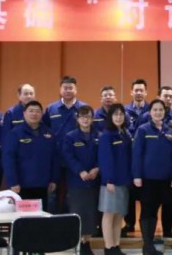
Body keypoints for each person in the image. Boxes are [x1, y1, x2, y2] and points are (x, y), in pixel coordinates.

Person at [133, 99, 172, 255]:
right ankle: (147, 246)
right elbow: (137, 154)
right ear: (150, 112)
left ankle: (151, 244)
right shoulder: (143, 130)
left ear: (164, 112)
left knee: (159, 210)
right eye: (155, 110)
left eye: (161, 110)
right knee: (148, 211)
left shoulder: (170, 132)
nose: (158, 112)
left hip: (165, 180)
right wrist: (137, 175)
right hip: (147, 180)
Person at [2, 100, 59, 211]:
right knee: (24, 217)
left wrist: (54, 179)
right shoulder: (15, 134)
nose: (34, 114)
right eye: (31, 111)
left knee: (41, 216)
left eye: (37, 111)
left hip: (43, 184)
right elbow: (8, 159)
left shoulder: (49, 134)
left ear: (42, 114)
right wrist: (13, 181)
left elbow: (55, 158)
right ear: (24, 113)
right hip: (21, 185)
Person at [44, 75, 89, 213]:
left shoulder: (83, 108)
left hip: (77, 159)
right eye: (65, 88)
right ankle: (53, 222)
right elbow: (44, 129)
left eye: (71, 88)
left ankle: (73, 221)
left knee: (74, 194)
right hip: (56, 158)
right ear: (60, 89)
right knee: (53, 193)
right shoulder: (51, 109)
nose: (68, 90)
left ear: (76, 89)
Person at [62, 105, 99, 255]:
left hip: (94, 180)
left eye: (88, 116)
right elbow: (68, 156)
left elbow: (103, 155)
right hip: (76, 181)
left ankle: (87, 243)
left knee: (91, 213)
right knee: (78, 212)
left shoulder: (99, 135)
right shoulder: (70, 137)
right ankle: (78, 242)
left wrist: (97, 168)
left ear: (92, 118)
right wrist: (80, 171)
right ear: (77, 119)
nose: (85, 119)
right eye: (82, 116)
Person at [99, 103, 132, 255]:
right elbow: (105, 159)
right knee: (109, 214)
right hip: (111, 182)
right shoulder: (107, 135)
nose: (118, 117)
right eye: (115, 114)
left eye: (121, 114)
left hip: (124, 180)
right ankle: (109, 247)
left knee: (119, 214)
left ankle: (116, 245)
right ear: (110, 117)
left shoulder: (125, 133)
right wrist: (109, 180)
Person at [125, 79, 151, 235]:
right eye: (136, 90)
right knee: (130, 193)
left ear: (146, 92)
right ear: (131, 92)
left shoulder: (152, 109)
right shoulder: (125, 111)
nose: (139, 93)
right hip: (130, 158)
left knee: (145, 194)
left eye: (142, 90)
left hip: (147, 158)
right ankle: (129, 223)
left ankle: (145, 226)